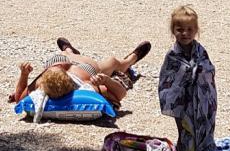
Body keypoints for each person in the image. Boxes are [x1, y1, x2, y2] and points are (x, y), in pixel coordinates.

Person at [158, 6, 230, 151]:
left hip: (201, 103)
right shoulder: (173, 56)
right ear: (173, 30)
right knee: (185, 136)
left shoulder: (200, 52)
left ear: (196, 30)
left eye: (190, 29)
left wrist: (197, 73)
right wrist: (187, 75)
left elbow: (208, 72)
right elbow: (168, 81)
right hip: (182, 104)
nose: (185, 33)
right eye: (180, 29)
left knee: (203, 136)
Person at [9, 38, 152, 106]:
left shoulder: (42, 83)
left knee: (66, 55)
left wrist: (24, 75)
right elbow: (121, 94)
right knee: (112, 62)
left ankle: (69, 50)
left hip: (61, 59)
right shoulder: (85, 85)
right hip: (86, 67)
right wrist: (106, 80)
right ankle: (130, 60)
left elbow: (19, 97)